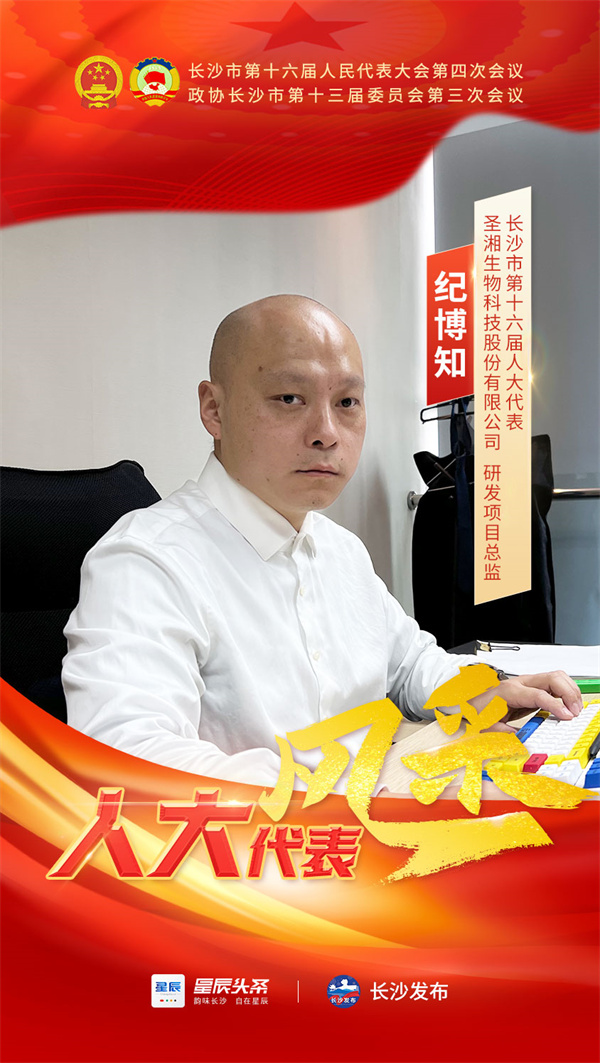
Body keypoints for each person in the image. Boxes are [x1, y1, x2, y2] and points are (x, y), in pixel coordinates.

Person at [63, 295, 582, 787]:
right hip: (271, 843)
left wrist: (485, 692)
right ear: (214, 410)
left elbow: (409, 664)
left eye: (347, 401)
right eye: (290, 398)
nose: (327, 433)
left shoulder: (340, 549)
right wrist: (347, 789)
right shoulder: (146, 562)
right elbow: (128, 758)